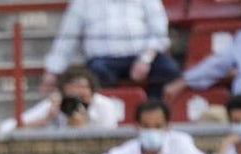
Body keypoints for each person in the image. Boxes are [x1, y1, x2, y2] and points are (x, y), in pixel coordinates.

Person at [41, 0, 180, 99]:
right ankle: (110, 116)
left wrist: (145, 60)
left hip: (143, 57)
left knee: (169, 69)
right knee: (95, 74)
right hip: (103, 61)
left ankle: (153, 110)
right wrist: (53, 71)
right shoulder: (82, 2)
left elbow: (160, 33)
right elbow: (67, 37)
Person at [72, 98, 209, 154]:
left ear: (168, 126)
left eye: (158, 126)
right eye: (146, 126)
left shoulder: (181, 143)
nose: (152, 131)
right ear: (137, 127)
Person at [13, 65, 122, 131]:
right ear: (63, 91)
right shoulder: (57, 103)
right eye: (73, 88)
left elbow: (109, 139)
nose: (77, 92)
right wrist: (46, 119)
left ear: (91, 90)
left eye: (82, 87)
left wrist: (81, 127)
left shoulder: (105, 105)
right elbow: (9, 127)